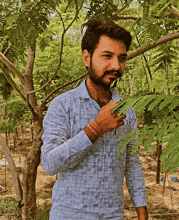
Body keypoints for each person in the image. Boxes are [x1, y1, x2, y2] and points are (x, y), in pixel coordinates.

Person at [41, 18, 148, 220]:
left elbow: (131, 162)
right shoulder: (62, 105)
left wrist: (142, 211)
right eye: (107, 56)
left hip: (113, 215)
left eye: (122, 58)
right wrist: (95, 129)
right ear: (86, 58)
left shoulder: (128, 110)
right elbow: (49, 163)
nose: (116, 65)